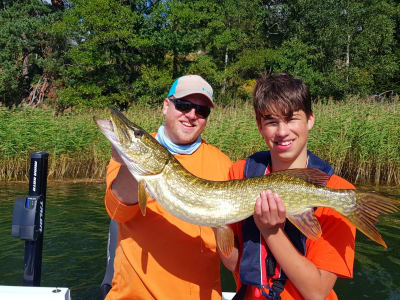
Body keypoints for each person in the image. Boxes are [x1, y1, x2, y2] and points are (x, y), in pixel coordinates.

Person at [222, 73, 356, 300]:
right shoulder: (239, 174)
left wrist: (271, 231)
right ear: (259, 125)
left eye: (291, 118)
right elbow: (234, 264)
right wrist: (215, 220)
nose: (282, 132)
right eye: (272, 121)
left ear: (310, 119)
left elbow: (316, 293)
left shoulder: (339, 191)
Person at [101, 75, 233, 300]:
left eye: (202, 111)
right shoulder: (128, 160)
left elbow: (232, 246)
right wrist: (131, 158)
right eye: (183, 105)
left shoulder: (223, 164)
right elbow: (117, 211)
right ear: (165, 106)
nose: (192, 115)